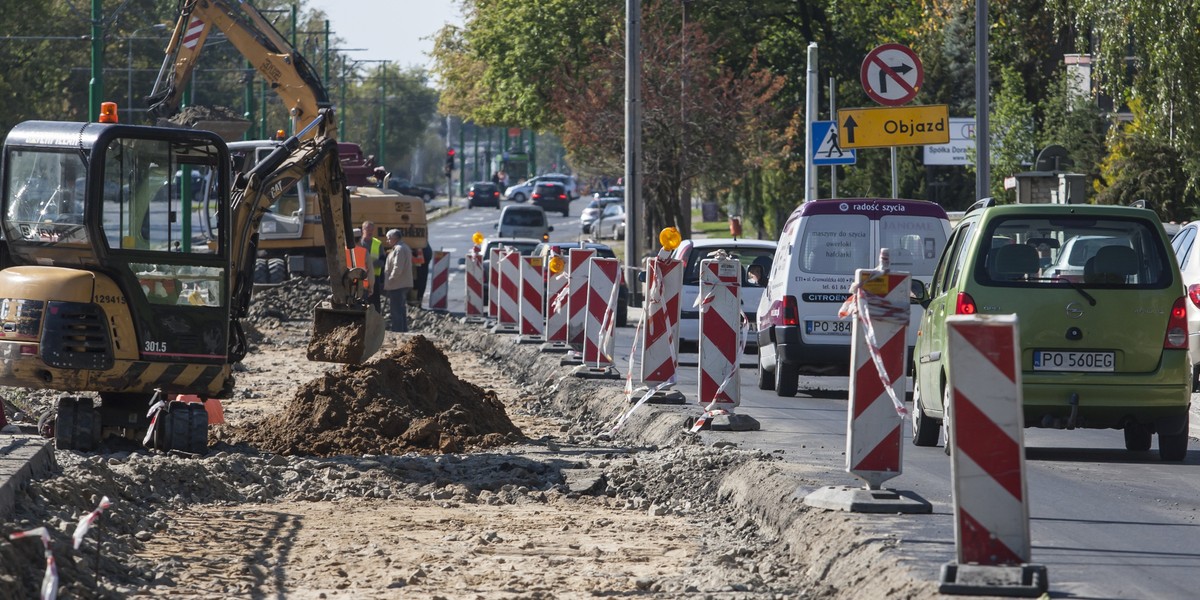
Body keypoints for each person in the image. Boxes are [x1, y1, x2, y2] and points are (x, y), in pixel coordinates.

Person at [383, 229, 414, 332]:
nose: (387, 241)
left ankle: (398, 330)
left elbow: (397, 268)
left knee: (396, 310)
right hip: (401, 283)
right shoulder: (402, 247)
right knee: (400, 309)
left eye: (389, 239)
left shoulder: (399, 249)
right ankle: (402, 329)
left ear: (394, 238)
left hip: (398, 284)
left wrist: (390, 280)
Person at [360, 221, 385, 311]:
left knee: (374, 300)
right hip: (361, 276)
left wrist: (371, 265)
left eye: (371, 229)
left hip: (375, 276)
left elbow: (382, 260)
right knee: (362, 299)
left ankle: (376, 317)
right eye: (368, 229)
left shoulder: (378, 243)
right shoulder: (359, 243)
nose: (370, 232)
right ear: (363, 230)